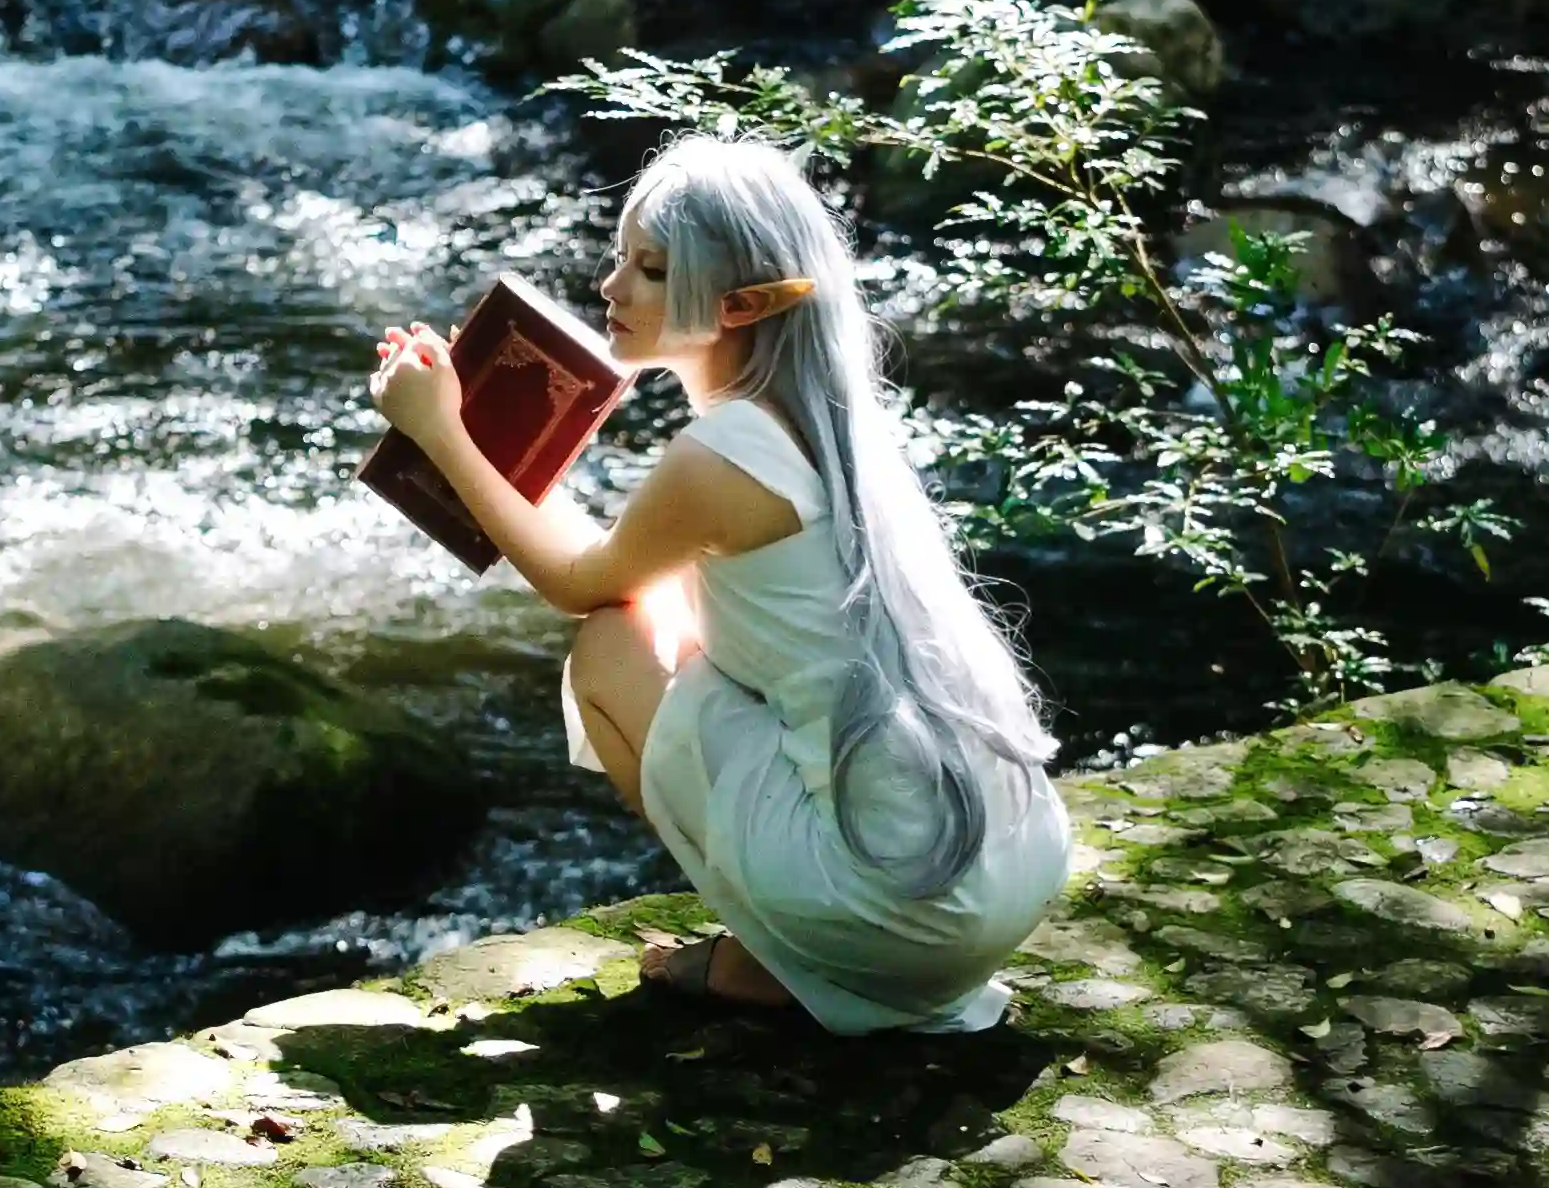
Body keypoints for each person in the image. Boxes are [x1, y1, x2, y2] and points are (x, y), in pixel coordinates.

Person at [366, 136, 1073, 1031]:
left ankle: (777, 958)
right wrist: (464, 425)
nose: (612, 287)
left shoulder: (723, 452)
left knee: (610, 647)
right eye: (622, 256)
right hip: (1006, 874)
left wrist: (441, 434)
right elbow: (617, 561)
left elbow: (579, 584)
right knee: (660, 609)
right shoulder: (828, 420)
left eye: (652, 271)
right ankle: (805, 941)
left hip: (909, 918)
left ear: (740, 305)